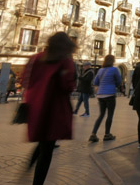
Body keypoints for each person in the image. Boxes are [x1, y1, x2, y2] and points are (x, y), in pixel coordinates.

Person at [22, 32, 76, 185]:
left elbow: (25, 79)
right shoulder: (65, 61)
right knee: (47, 147)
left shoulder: (36, 58)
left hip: (36, 104)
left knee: (42, 140)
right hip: (55, 108)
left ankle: (27, 168)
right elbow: (67, 85)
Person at [89, 55, 122, 142]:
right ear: (112, 61)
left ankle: (93, 134)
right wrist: (115, 85)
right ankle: (107, 134)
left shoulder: (100, 70)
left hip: (100, 95)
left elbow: (95, 82)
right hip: (110, 94)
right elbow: (119, 81)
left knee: (101, 115)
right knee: (110, 115)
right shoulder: (114, 69)